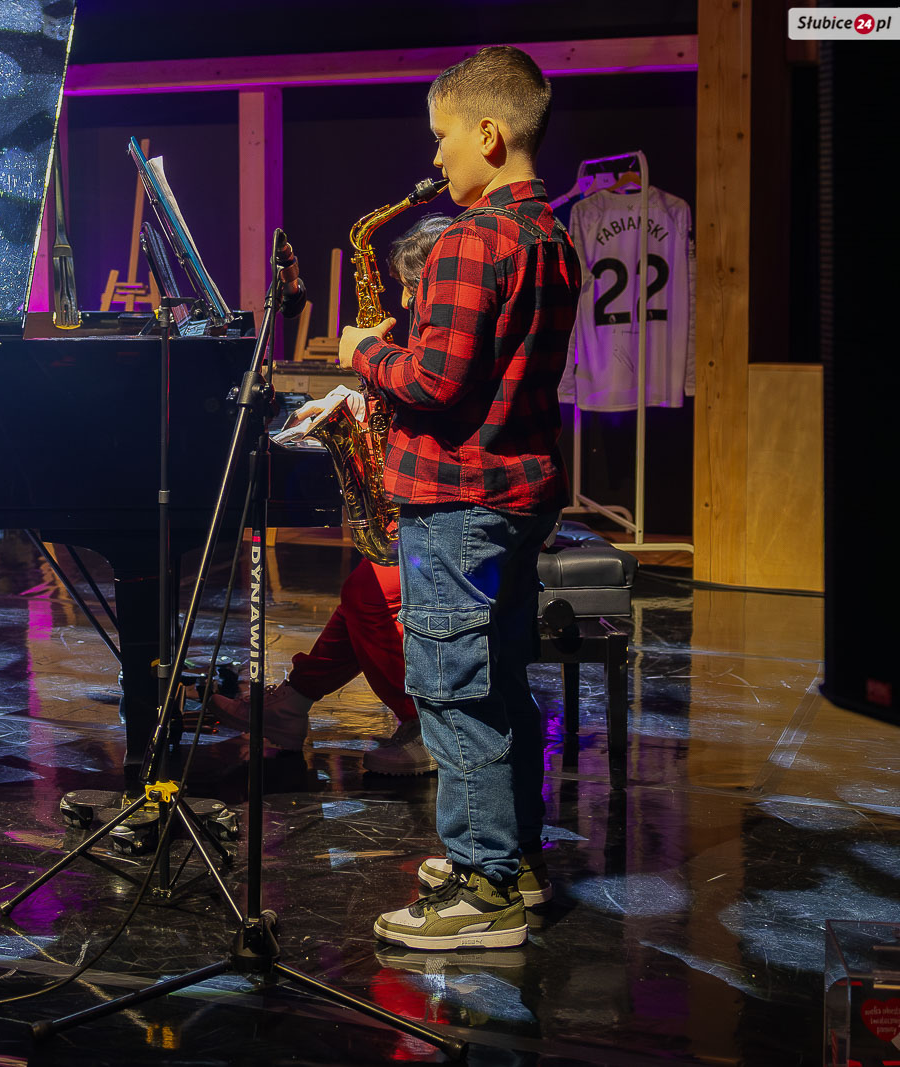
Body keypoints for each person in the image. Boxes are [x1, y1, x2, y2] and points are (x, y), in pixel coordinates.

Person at [344, 45, 582, 951]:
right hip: (517, 496)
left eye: (443, 136)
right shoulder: (550, 236)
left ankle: (484, 890)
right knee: (500, 682)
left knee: (452, 693)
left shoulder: (470, 240)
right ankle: (513, 859)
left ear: (487, 133)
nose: (436, 156)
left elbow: (433, 382)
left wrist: (363, 350)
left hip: (458, 500)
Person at [208, 215, 452, 777]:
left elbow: (436, 395)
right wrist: (354, 401)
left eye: (411, 289)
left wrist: (366, 356)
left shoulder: (456, 321)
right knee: (361, 594)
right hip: (438, 501)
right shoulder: (440, 328)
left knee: (366, 594)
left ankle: (428, 727)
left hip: (459, 509)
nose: (405, 302)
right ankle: (291, 706)